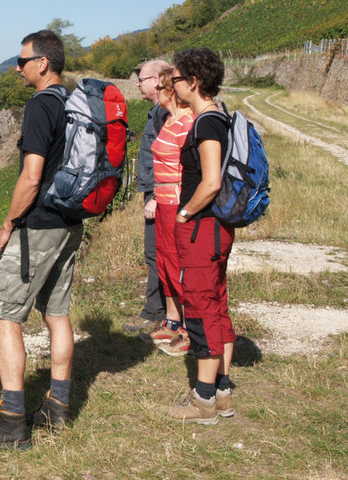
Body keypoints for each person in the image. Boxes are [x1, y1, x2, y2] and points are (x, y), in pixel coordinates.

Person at [0, 30, 84, 450]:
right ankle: (58, 406)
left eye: (22, 61)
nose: (17, 68)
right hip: (71, 222)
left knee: (4, 317)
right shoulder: (73, 103)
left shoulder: (40, 107)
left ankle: (12, 423)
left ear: (42, 63)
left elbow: (31, 177)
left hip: (40, 226)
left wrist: (8, 223)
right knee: (57, 311)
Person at [168, 47, 236, 424]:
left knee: (200, 306)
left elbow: (210, 182)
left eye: (176, 78)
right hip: (214, 231)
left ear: (193, 82)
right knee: (217, 303)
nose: (172, 85)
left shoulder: (207, 123)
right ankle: (222, 391)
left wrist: (184, 212)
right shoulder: (217, 117)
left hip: (202, 228)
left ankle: (204, 399)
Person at [138, 69, 194, 355]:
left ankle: (188, 329)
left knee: (177, 263)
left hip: (175, 203)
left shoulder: (187, 122)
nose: (153, 93)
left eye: (159, 88)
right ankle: (172, 320)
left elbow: (190, 169)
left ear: (171, 90)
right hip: (162, 202)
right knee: (164, 261)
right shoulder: (168, 119)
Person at [122, 59, 171, 333]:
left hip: (160, 194)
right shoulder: (158, 111)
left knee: (156, 253)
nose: (138, 84)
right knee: (157, 253)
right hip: (157, 192)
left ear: (156, 80)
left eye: (141, 79)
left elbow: (169, 158)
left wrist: (156, 195)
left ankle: (156, 313)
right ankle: (162, 312)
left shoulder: (165, 112)